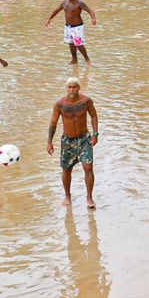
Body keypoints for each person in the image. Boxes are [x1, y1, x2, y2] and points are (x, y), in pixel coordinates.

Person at [47, 78, 101, 208]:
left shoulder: (86, 101)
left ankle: (89, 198)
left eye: (75, 87)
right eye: (70, 87)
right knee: (66, 169)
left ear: (79, 88)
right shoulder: (60, 104)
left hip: (84, 139)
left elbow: (93, 115)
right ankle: (67, 195)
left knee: (88, 168)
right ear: (66, 88)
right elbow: (53, 123)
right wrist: (49, 142)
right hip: (68, 141)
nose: (72, 90)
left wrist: (95, 134)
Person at [46, 0, 98, 64]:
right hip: (68, 27)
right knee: (71, 44)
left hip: (77, 27)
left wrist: (93, 18)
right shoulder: (64, 3)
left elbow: (90, 10)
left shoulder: (79, 3)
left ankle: (87, 60)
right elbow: (57, 10)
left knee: (79, 44)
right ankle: (74, 60)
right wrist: (49, 19)